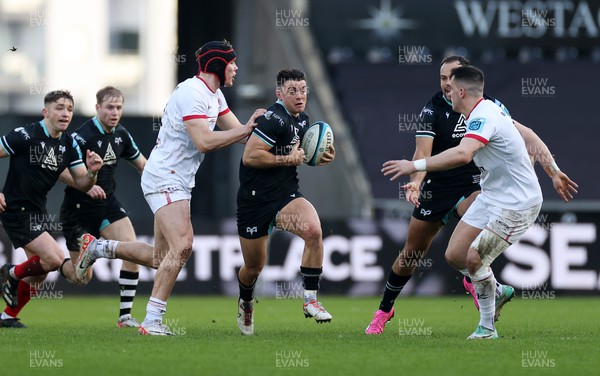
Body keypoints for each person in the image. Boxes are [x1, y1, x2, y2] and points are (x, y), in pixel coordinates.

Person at [365, 56, 577, 335]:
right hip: (455, 189)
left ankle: (487, 327)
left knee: (475, 257)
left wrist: (553, 171)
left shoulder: (486, 112)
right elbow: (424, 150)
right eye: (442, 79)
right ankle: (390, 308)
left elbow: (469, 152)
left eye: (450, 81)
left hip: (506, 198)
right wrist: (417, 181)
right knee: (452, 255)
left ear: (461, 87)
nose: (445, 87)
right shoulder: (437, 110)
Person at [76, 39, 265, 336]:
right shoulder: (192, 93)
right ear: (218, 64)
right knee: (184, 245)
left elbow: (241, 135)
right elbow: (205, 141)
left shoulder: (214, 96)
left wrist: (277, 137)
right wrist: (246, 129)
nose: (236, 68)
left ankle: (100, 247)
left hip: (175, 179)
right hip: (166, 176)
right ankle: (152, 321)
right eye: (232, 62)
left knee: (159, 259)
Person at [235, 68, 336, 335]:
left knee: (313, 231)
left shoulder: (303, 120)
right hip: (254, 202)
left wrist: (321, 156)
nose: (300, 95)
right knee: (253, 268)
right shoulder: (273, 119)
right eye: (293, 91)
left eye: (303, 90)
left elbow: (302, 154)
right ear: (280, 93)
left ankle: (310, 300)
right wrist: (285, 160)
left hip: (286, 195)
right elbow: (251, 157)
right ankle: (246, 300)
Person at [0, 90, 103, 328]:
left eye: (69, 109)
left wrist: (93, 172)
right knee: (54, 258)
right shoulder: (25, 135)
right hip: (15, 209)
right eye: (59, 108)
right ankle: (11, 273)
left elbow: (82, 182)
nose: (65, 113)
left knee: (40, 271)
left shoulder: (69, 144)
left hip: (38, 211)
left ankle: (7, 316)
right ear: (45, 112)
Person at [56, 86, 151, 328]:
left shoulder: (121, 134)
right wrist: (86, 186)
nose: (115, 112)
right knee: (81, 278)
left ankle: (125, 317)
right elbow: (60, 170)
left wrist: (165, 181)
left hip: (107, 205)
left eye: (119, 107)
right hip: (78, 209)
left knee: (131, 251)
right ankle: (58, 264)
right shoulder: (81, 136)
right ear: (98, 108)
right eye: (109, 107)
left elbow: (143, 165)